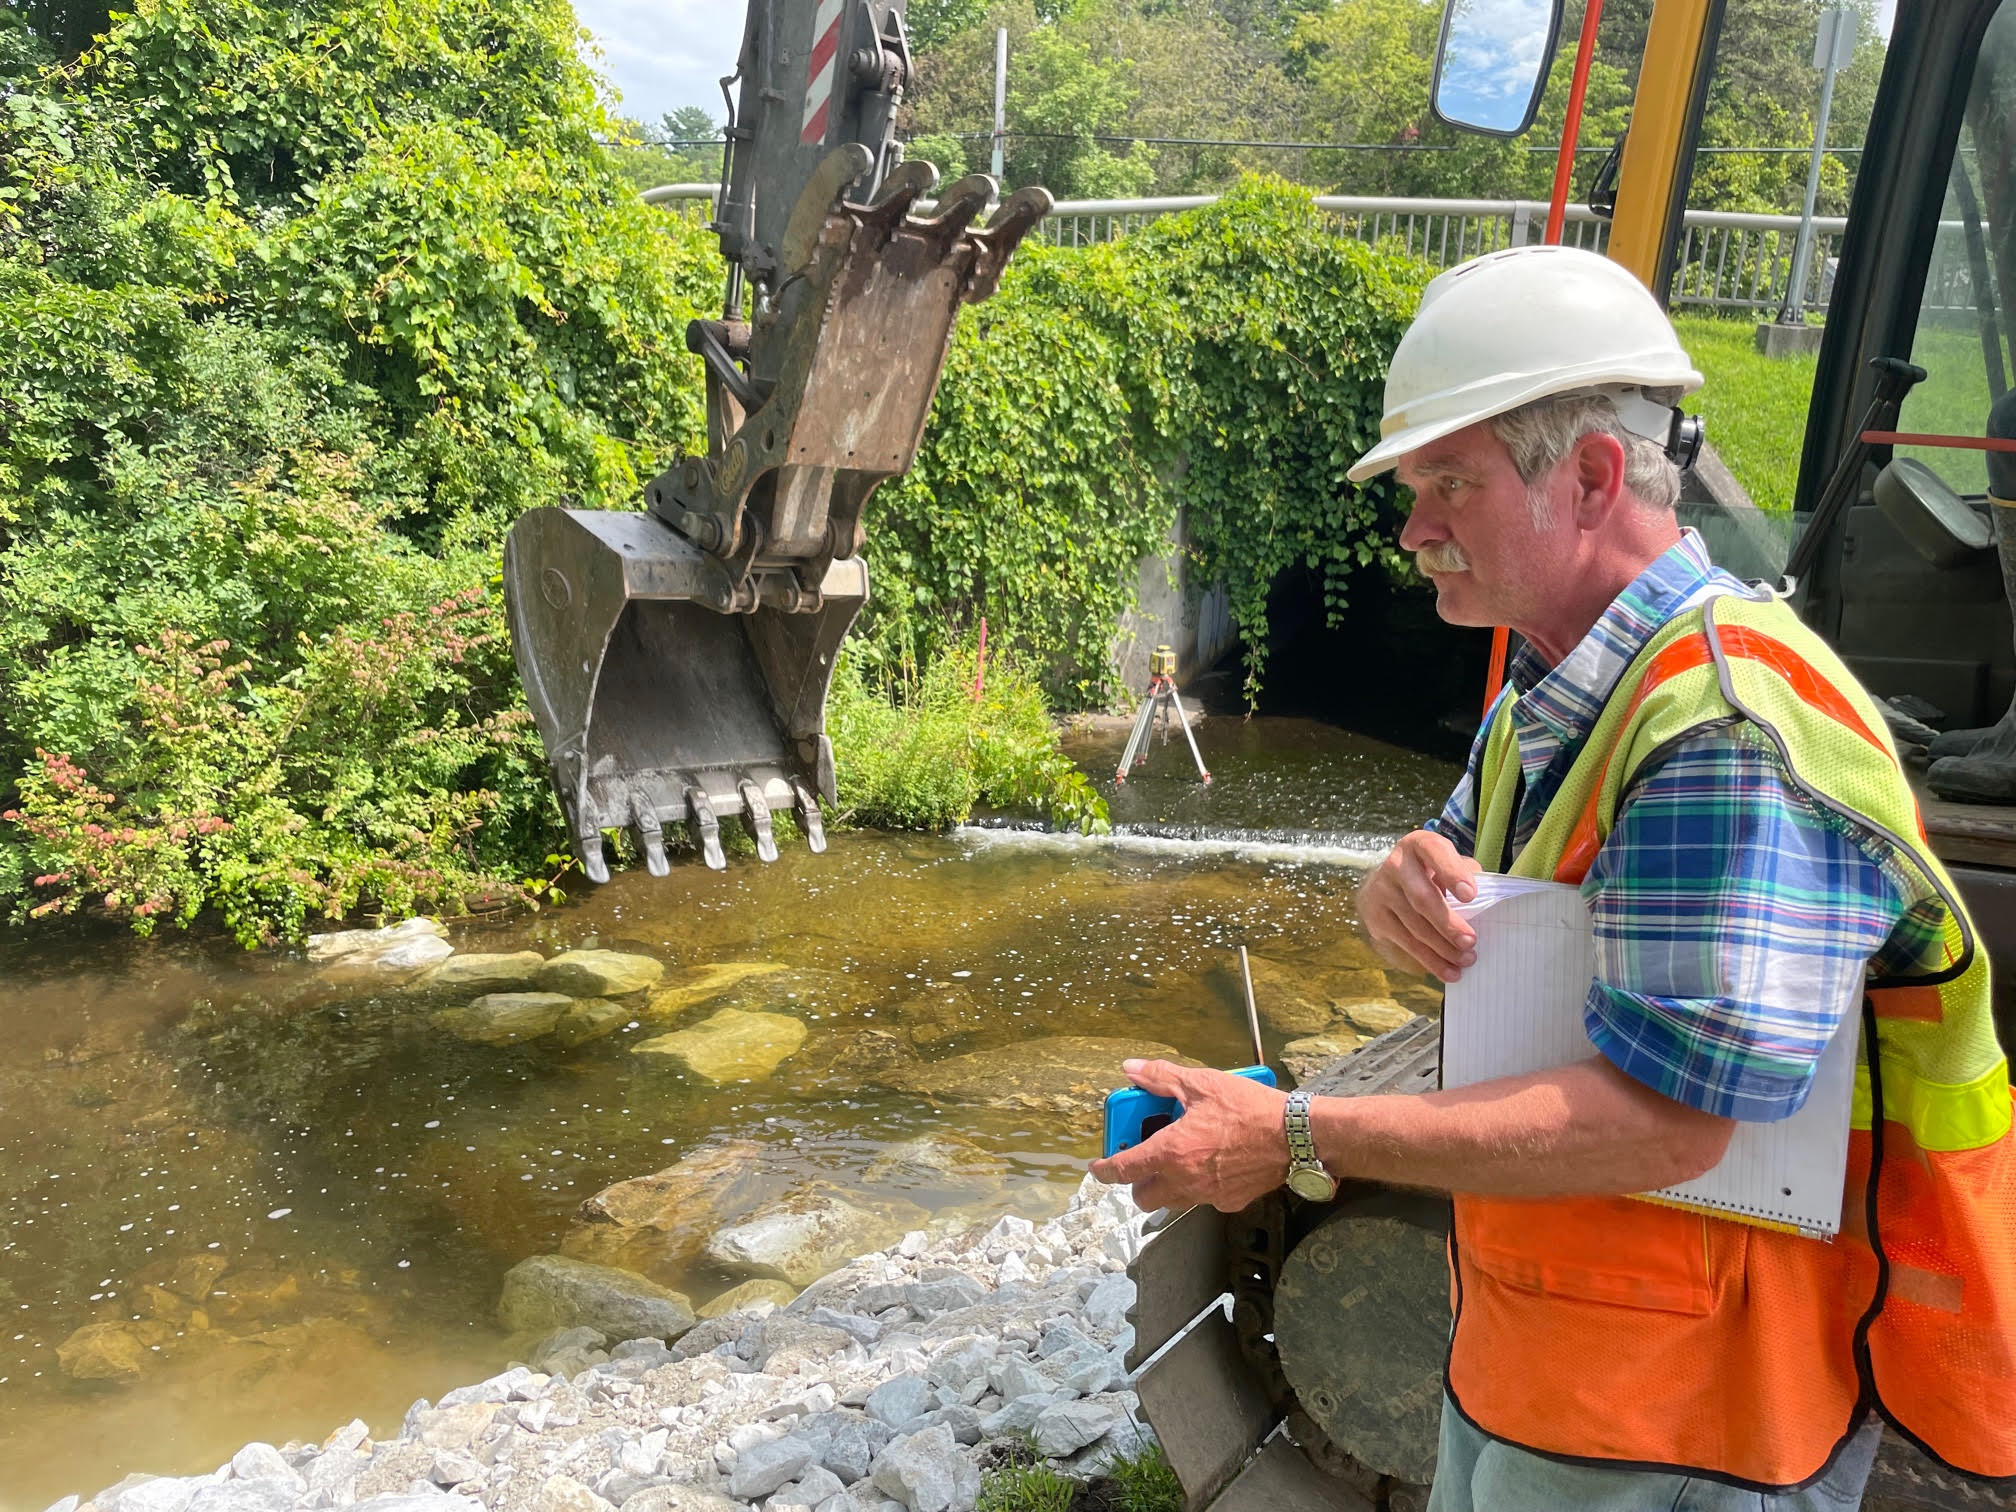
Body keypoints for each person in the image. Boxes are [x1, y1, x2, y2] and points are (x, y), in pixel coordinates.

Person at [1090, 245, 2016, 1508]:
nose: (1413, 530)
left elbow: (1672, 1123)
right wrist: (1392, 892)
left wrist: (1295, 1134)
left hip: (1688, 1427)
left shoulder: (1718, 738)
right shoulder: (1551, 691)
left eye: (1448, 485)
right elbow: (1461, 896)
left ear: (1587, 477)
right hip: (1543, 1369)